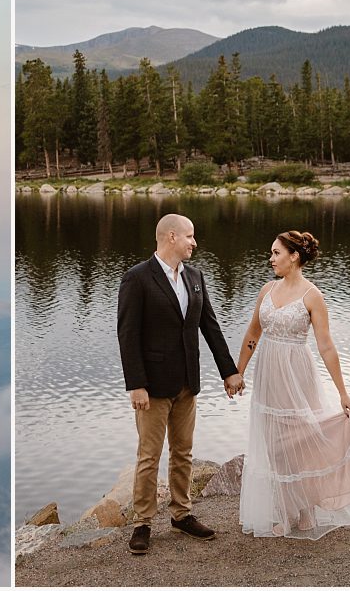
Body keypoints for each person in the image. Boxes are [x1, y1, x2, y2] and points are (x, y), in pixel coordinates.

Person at [235, 230, 350, 539]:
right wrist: (238, 372)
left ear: (294, 256)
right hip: (268, 374)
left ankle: (303, 510)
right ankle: (289, 510)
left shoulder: (312, 295)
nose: (271, 258)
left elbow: (326, 346)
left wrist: (343, 392)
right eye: (271, 252)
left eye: (276, 253)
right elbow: (252, 334)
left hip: (296, 372)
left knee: (300, 439)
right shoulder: (266, 289)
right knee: (274, 443)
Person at [117, 213, 241, 554]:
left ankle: (181, 514)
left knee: (183, 452)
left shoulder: (196, 277)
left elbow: (210, 327)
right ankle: (142, 523)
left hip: (188, 382)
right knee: (149, 456)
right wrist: (136, 384)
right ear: (171, 237)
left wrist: (229, 371)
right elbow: (127, 335)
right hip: (152, 387)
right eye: (190, 236)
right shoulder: (137, 278)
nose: (194, 242)